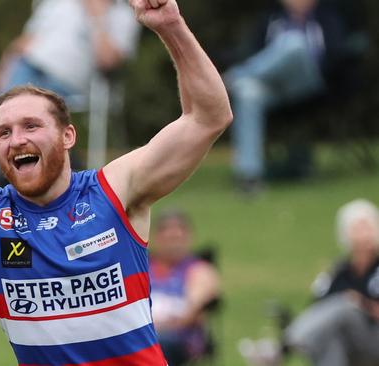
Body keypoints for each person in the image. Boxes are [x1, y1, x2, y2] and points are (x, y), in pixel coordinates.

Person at [0, 0, 232, 363]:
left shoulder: (116, 190)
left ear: (68, 136)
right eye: (3, 132)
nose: (16, 139)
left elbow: (208, 117)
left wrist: (171, 26)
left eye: (31, 126)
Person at [0, 0, 141, 184]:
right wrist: (3, 67)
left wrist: (97, 18)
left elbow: (108, 60)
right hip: (28, 65)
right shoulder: (59, 2)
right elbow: (28, 38)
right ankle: (0, 171)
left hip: (66, 82)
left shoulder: (123, 16)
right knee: (7, 103)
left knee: (22, 103)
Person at [224, 0, 347, 192]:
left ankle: (232, 78)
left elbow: (336, 55)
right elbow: (254, 51)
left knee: (294, 43)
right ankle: (250, 176)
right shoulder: (271, 19)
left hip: (310, 82)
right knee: (247, 94)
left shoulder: (326, 18)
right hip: (273, 86)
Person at [240, 199, 379, 366]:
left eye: (367, 226)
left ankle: (281, 348)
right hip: (347, 344)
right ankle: (284, 347)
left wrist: (360, 302)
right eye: (357, 228)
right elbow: (317, 308)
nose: (363, 234)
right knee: (330, 339)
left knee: (345, 305)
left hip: (373, 340)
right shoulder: (338, 271)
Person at [149, 210, 220, 365]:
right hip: (142, 336)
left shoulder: (199, 270)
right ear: (156, 237)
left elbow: (190, 314)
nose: (173, 241)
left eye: (178, 235)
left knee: (158, 343)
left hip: (179, 341)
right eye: (167, 235)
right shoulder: (140, 267)